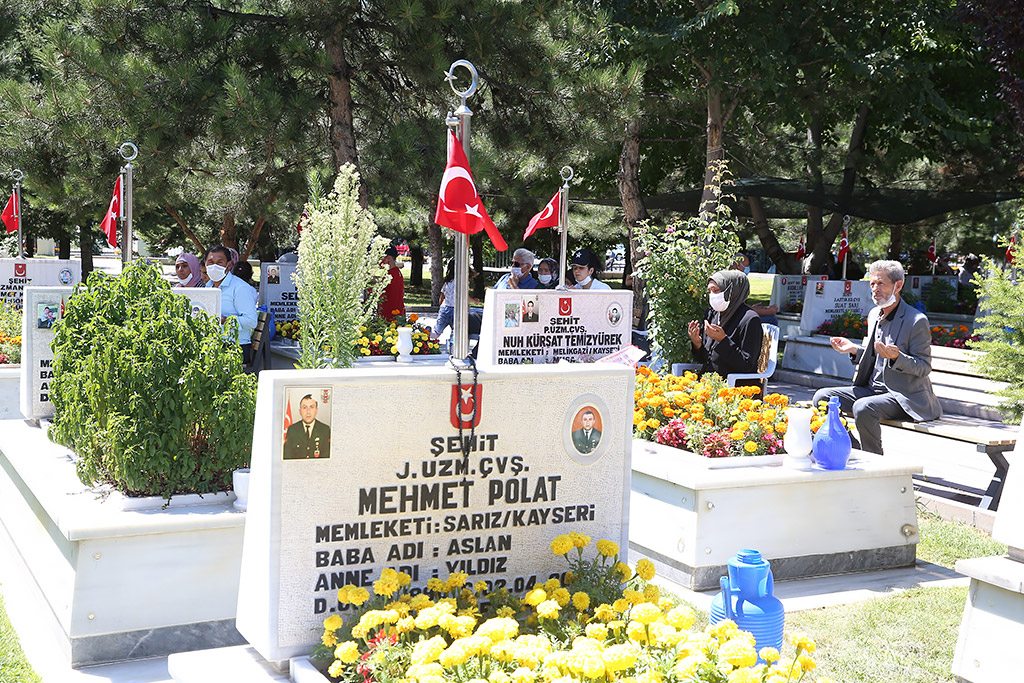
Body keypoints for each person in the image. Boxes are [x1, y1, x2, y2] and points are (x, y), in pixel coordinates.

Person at [812, 260, 942, 455]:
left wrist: (898, 357)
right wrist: (854, 350)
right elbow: (876, 357)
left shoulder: (916, 320)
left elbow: (923, 367)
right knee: (823, 398)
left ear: (898, 285)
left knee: (863, 408)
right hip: (872, 390)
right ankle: (853, 449)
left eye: (880, 283)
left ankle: (874, 460)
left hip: (902, 396)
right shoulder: (874, 314)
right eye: (872, 284)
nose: (875, 289)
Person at [687, 270, 764, 386]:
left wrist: (723, 340)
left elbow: (746, 365)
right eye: (710, 291)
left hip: (734, 388)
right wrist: (697, 343)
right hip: (707, 383)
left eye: (717, 290)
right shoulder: (713, 314)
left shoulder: (750, 319)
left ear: (733, 290)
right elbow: (705, 359)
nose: (713, 295)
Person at [205, 245, 259, 363]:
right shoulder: (208, 286)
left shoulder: (240, 288)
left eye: (220, 262)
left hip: (234, 347)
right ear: (205, 265)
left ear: (228, 265)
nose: (214, 266)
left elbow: (251, 321)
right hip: (213, 343)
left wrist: (225, 320)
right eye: (211, 262)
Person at [730, 251, 778, 325]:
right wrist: (768, 311)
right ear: (738, 265)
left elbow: (742, 306)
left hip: (736, 316)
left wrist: (755, 308)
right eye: (746, 266)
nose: (747, 269)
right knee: (771, 319)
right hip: (735, 320)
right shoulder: (734, 282)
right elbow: (741, 309)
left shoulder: (735, 280)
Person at [284, 394, 331, 459]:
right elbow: (287, 457)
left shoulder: (325, 430)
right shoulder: (292, 430)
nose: (308, 412)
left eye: (311, 407)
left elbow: (327, 458)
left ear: (316, 410)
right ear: (300, 411)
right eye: (304, 407)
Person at [379, 245, 405, 321]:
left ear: (388, 258)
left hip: (390, 317)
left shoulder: (392, 275)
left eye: (381, 258)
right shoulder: (395, 272)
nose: (380, 261)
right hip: (394, 315)